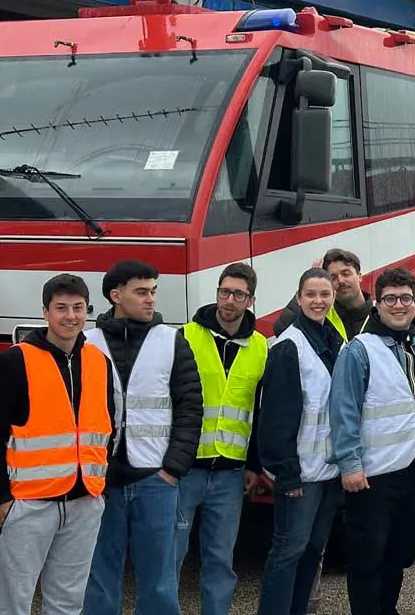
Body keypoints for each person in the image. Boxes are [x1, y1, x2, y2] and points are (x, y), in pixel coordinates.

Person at [0, 274, 116, 615]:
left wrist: (100, 488)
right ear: (45, 312)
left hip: (84, 501)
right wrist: (0, 499)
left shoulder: (99, 362)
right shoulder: (14, 361)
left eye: (78, 308)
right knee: (15, 603)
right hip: (28, 503)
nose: (70, 316)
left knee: (68, 602)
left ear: (88, 310)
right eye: (61, 308)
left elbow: (108, 427)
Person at [83, 259, 204, 615]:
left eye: (153, 291)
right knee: (99, 576)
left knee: (160, 580)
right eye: (141, 292)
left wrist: (173, 469)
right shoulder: (87, 344)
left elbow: (190, 406)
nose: (151, 299)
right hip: (100, 479)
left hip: (155, 478)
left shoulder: (171, 340)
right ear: (116, 295)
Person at [330, 267, 415, 615]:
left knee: (400, 553)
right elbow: (344, 410)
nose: (399, 305)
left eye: (406, 298)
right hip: (373, 474)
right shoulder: (359, 350)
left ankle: (387, 609)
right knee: (367, 557)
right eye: (390, 299)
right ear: (377, 305)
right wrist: (350, 465)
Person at [176, 262, 268, 615]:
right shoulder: (186, 336)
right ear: (216, 293)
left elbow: (258, 410)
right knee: (170, 554)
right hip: (185, 468)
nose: (230, 300)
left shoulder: (260, 347)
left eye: (238, 295)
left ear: (251, 300)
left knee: (220, 561)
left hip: (231, 473)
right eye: (224, 292)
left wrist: (254, 464)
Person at [258, 269, 347, 615]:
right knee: (288, 551)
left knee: (312, 550)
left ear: (333, 298)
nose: (318, 301)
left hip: (328, 472)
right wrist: (287, 473)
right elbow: (276, 417)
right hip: (300, 475)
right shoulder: (288, 347)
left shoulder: (334, 341)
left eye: (324, 294)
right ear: (298, 298)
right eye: (310, 294)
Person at [274, 248, 373, 339]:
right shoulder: (321, 313)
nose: (341, 281)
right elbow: (282, 330)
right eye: (333, 277)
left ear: (359, 276)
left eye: (346, 274)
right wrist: (310, 285)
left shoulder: (377, 314)